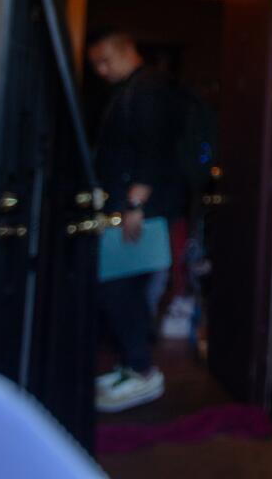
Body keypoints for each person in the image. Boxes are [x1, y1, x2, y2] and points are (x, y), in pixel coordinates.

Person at [87, 29, 187, 413]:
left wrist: (136, 203)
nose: (101, 69)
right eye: (95, 63)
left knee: (119, 288)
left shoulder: (148, 88)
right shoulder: (132, 88)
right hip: (129, 205)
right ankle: (132, 365)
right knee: (119, 287)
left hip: (138, 208)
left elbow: (154, 145)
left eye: (105, 60)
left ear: (128, 50)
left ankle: (142, 371)